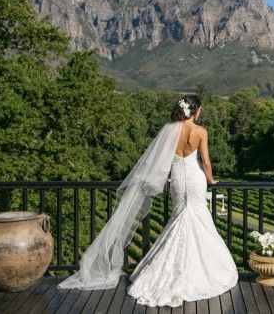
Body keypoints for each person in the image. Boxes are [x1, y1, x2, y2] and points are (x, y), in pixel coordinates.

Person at [58, 94, 238, 307]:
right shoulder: (200, 132)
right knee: (197, 219)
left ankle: (165, 271)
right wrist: (211, 179)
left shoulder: (170, 130)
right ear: (196, 110)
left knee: (179, 217)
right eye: (200, 109)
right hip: (195, 179)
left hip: (177, 180)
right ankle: (195, 270)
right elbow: (206, 162)